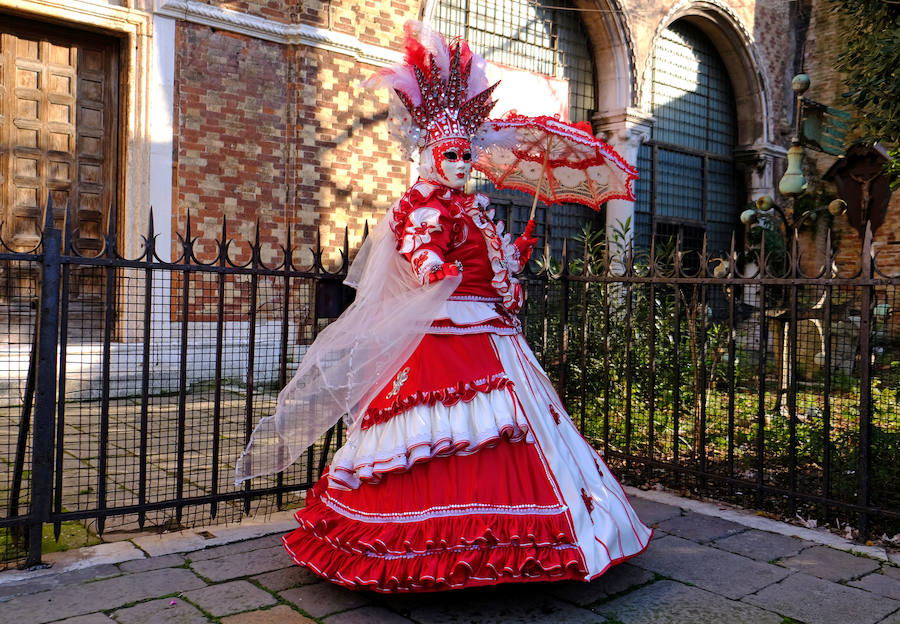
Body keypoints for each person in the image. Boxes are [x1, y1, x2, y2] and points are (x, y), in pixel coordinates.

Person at [236, 22, 651, 593]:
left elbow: (496, 280)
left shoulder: (474, 210)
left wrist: (511, 254)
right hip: (446, 335)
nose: (462, 164)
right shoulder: (424, 207)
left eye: (466, 155)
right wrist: (436, 267)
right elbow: (419, 246)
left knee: (517, 433)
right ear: (430, 156)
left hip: (494, 335)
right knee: (444, 435)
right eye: (451, 155)